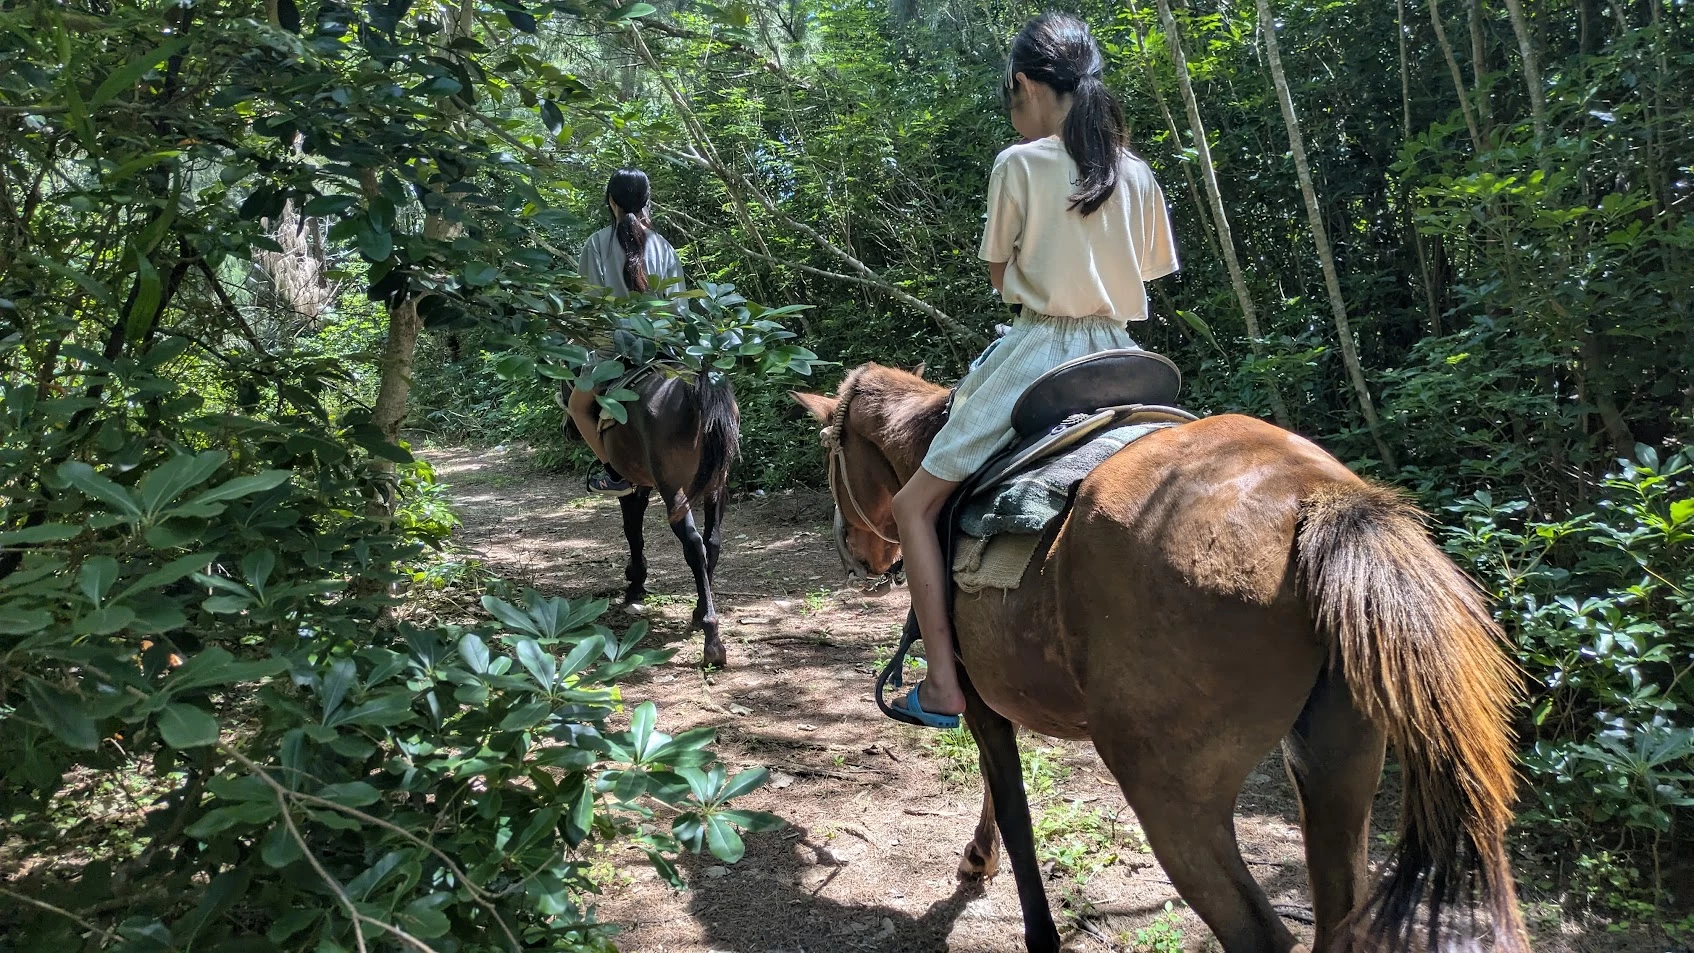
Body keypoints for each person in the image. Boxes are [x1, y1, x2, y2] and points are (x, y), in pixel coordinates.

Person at [887, 12, 1180, 728]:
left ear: (1024, 83)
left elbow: (999, 274)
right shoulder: (1136, 172)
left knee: (912, 506)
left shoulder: (1018, 165)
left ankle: (944, 686)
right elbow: (1149, 270)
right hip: (1125, 355)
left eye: (1010, 97)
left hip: (1042, 352)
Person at [568, 168, 687, 496]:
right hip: (662, 347)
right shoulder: (664, 246)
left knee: (577, 407)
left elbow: (589, 305)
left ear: (611, 201)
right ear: (648, 201)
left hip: (614, 350)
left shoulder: (596, 244)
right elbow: (679, 309)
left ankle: (614, 473)